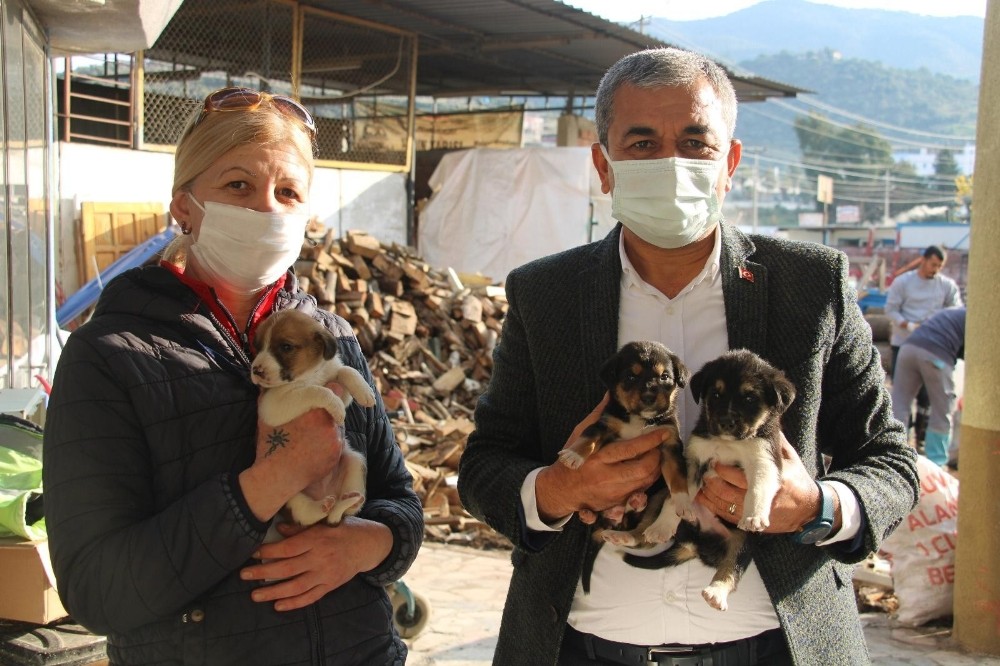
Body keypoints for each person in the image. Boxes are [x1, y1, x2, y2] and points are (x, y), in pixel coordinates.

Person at [457, 48, 918, 666]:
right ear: (604, 165)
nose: (670, 163)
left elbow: (890, 460)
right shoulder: (546, 295)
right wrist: (558, 490)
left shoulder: (811, 286)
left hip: (777, 650)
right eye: (642, 143)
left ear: (730, 163)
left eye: (696, 143)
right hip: (580, 649)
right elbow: (485, 465)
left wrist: (817, 508)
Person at [43, 87, 423, 665]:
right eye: (239, 185)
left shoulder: (333, 339)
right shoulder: (110, 355)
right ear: (184, 206)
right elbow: (96, 589)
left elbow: (400, 499)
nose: (266, 209)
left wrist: (369, 544)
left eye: (287, 192)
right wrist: (266, 485)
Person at [885, 245, 963, 447]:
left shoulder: (946, 286)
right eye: (932, 264)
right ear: (924, 260)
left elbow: (954, 310)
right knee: (902, 397)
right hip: (905, 341)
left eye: (939, 266)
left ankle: (921, 438)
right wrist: (908, 324)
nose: (935, 269)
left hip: (935, 342)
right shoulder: (903, 282)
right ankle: (900, 442)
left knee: (927, 398)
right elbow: (891, 309)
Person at [891, 306, 966, 467]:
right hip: (936, 355)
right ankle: (936, 462)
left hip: (907, 349)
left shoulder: (954, 313)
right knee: (942, 409)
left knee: (899, 403)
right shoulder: (976, 319)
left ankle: (894, 456)